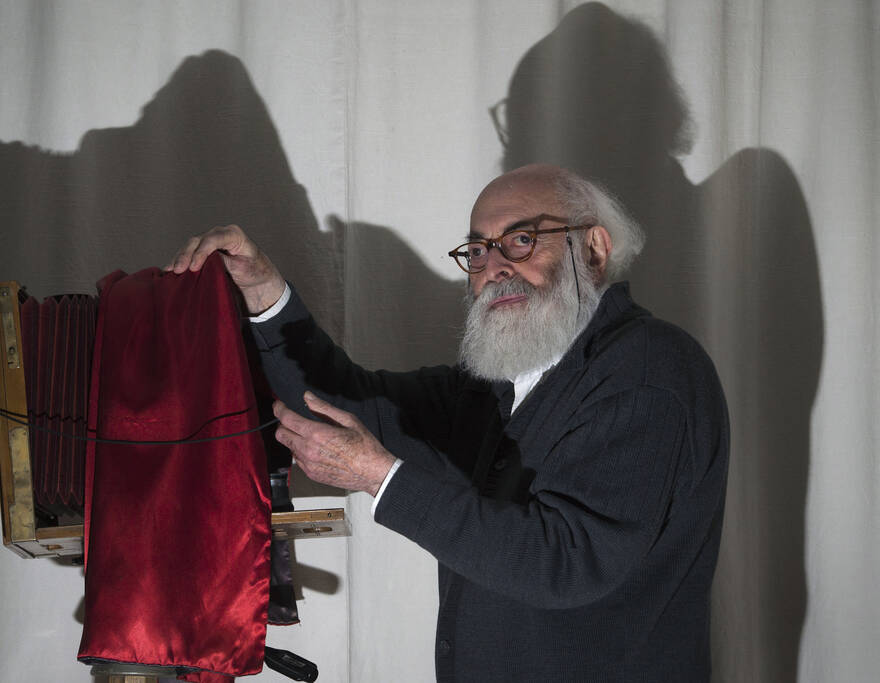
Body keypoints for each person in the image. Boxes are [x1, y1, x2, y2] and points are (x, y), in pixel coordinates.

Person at [167, 164, 729, 682]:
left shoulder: (649, 370)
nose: (495, 267)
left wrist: (380, 477)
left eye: (522, 240)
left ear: (594, 249)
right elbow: (345, 402)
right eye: (478, 250)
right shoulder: (495, 383)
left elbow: (567, 560)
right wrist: (262, 290)